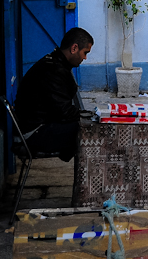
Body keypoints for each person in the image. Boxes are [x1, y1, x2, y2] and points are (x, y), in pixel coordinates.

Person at [14, 27, 94, 161]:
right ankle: (89, 178)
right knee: (91, 132)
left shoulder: (53, 62)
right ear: (74, 48)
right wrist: (89, 118)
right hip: (33, 133)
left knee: (87, 126)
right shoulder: (54, 70)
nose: (85, 58)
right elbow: (64, 113)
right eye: (85, 53)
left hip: (36, 127)